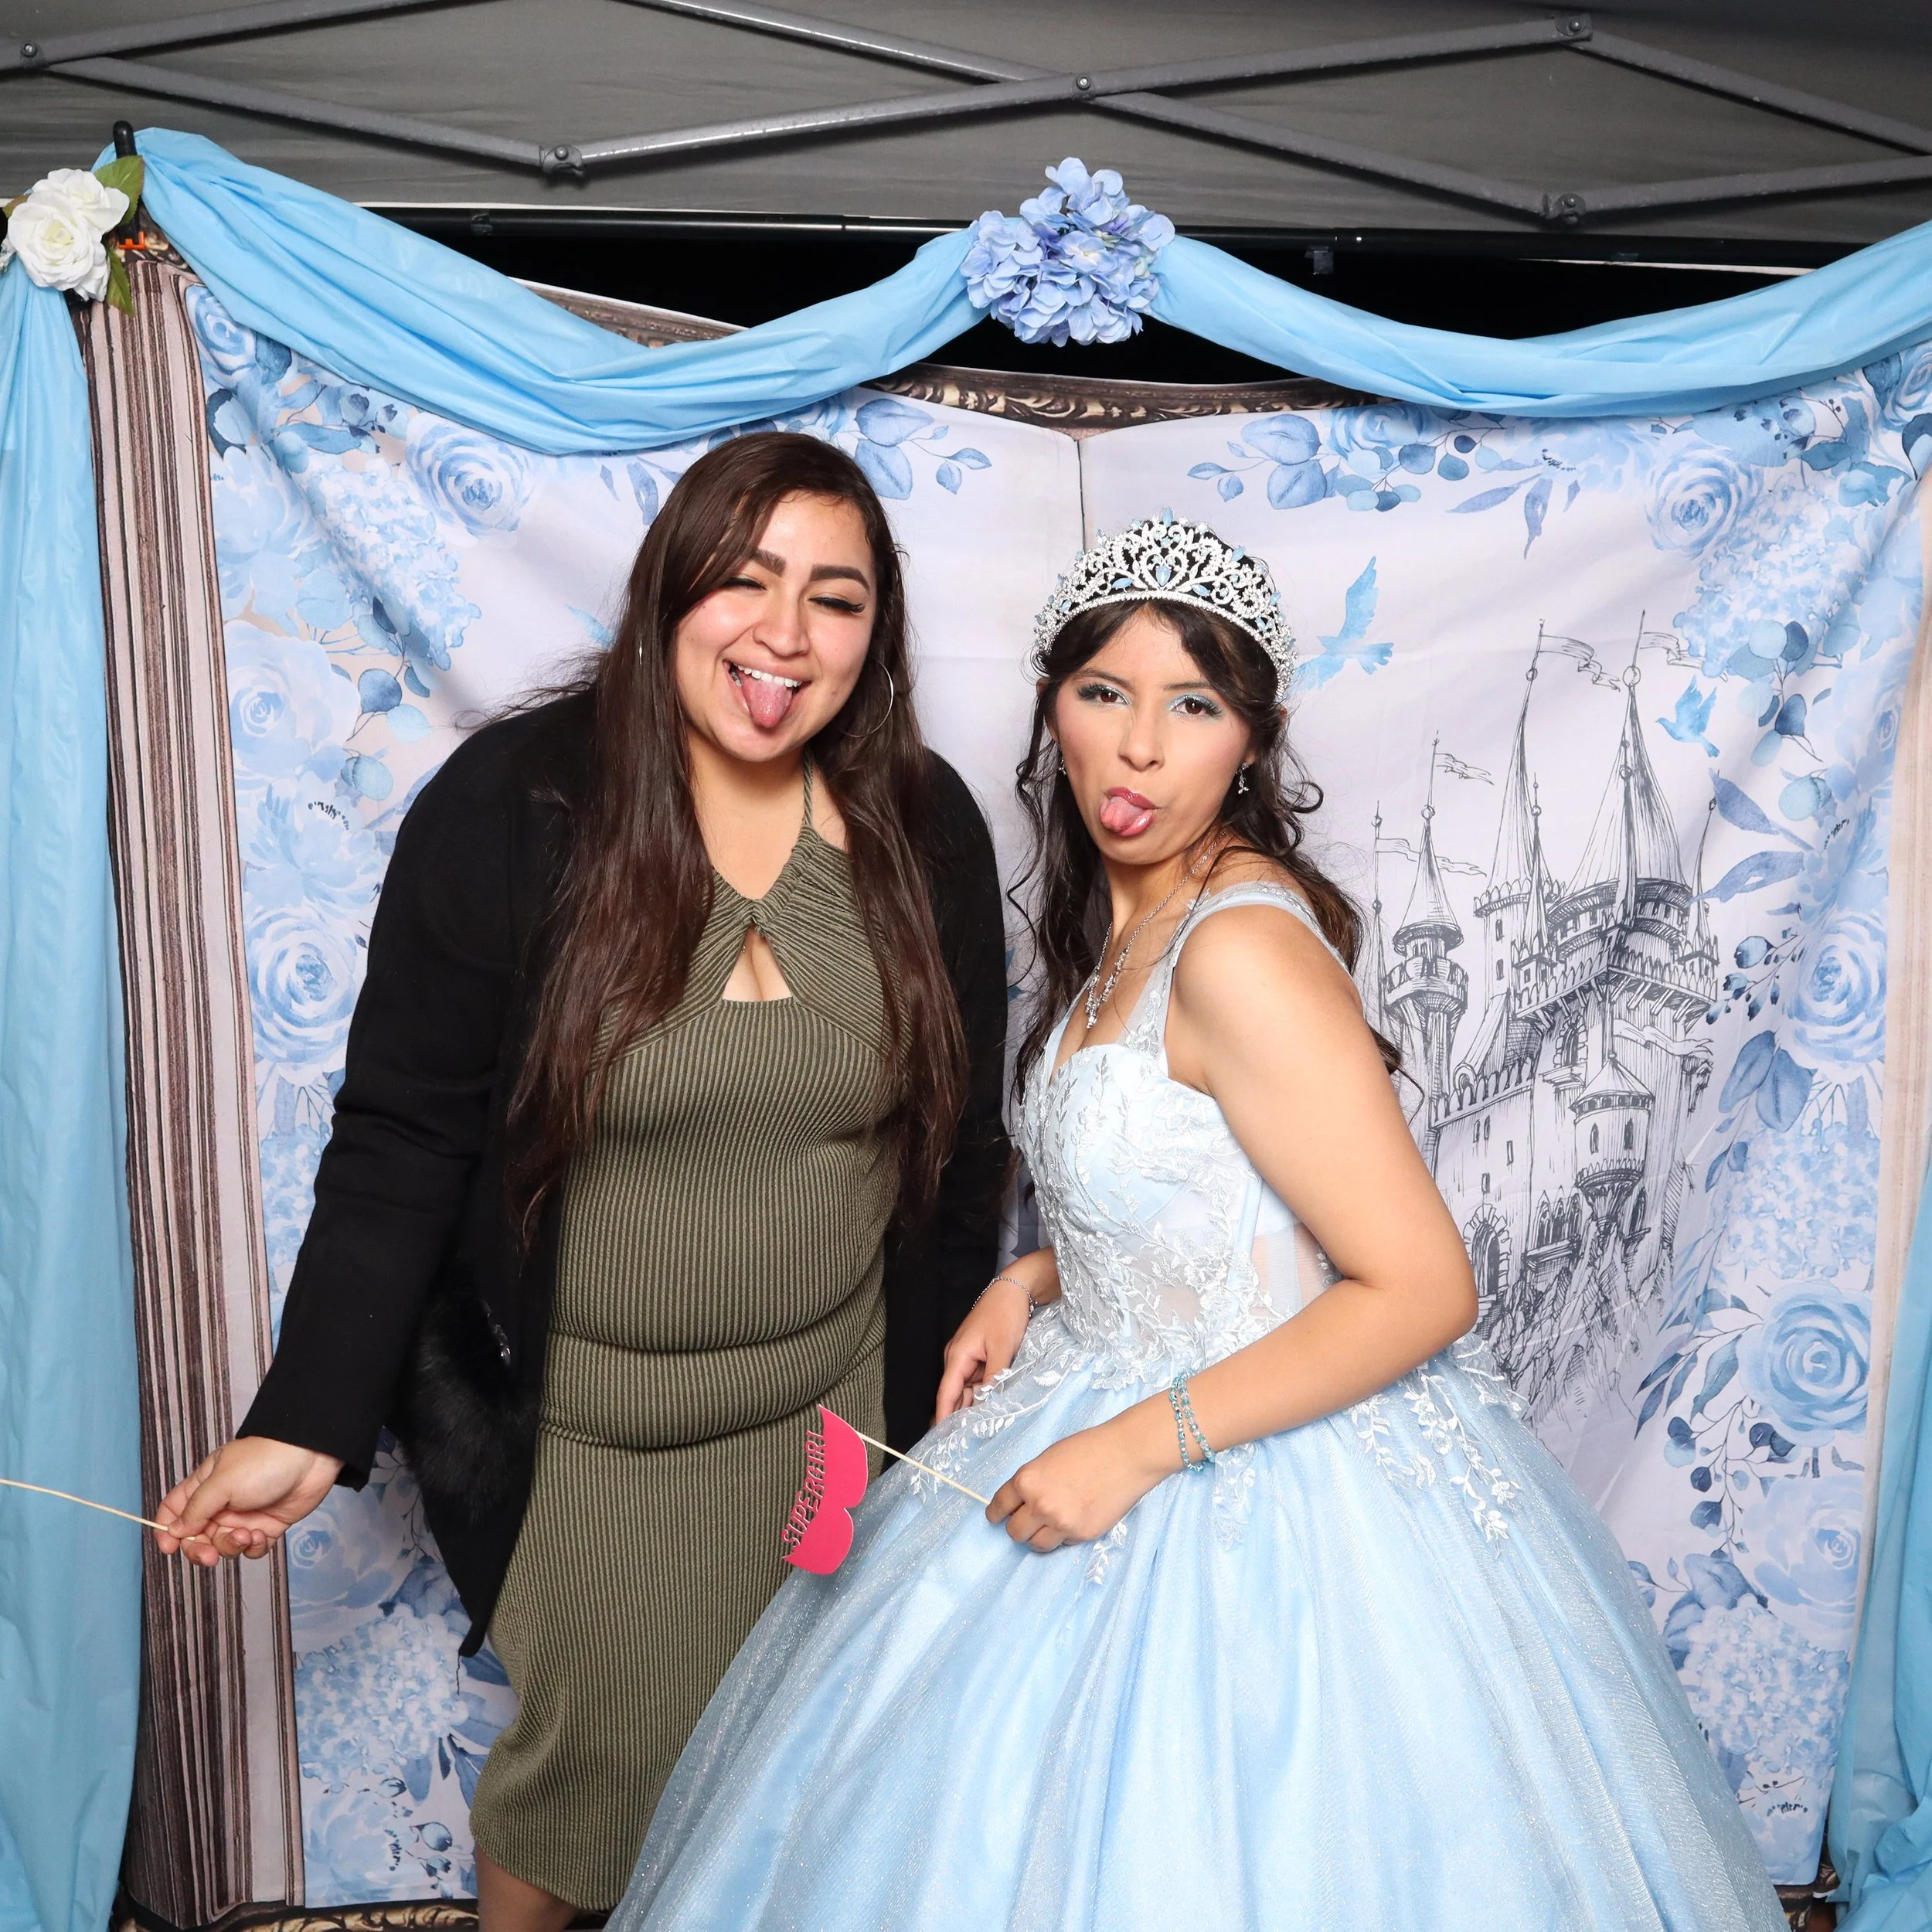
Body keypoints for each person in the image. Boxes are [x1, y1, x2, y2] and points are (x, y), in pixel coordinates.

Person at [602, 513, 1787, 1931]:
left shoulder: (1239, 948)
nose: (1140, 748)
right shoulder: (1135, 920)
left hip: (1258, 1476)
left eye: (1193, 706)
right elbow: (1219, 1190)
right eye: (1104, 696)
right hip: (1103, 1381)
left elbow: (1417, 1286)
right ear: (1054, 710)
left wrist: (1131, 1447)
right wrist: (1038, 1278)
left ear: (1251, 738)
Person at [152, 433, 1011, 1928]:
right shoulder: (513, 808)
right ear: (668, 589)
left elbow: (953, 1154)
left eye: (838, 596)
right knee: (577, 1781)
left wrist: (916, 1439)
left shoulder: (921, 828)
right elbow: (405, 1133)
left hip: (826, 1431)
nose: (784, 636)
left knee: (799, 1786)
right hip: (596, 1439)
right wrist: (306, 1418)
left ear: (878, 635)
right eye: (743, 582)